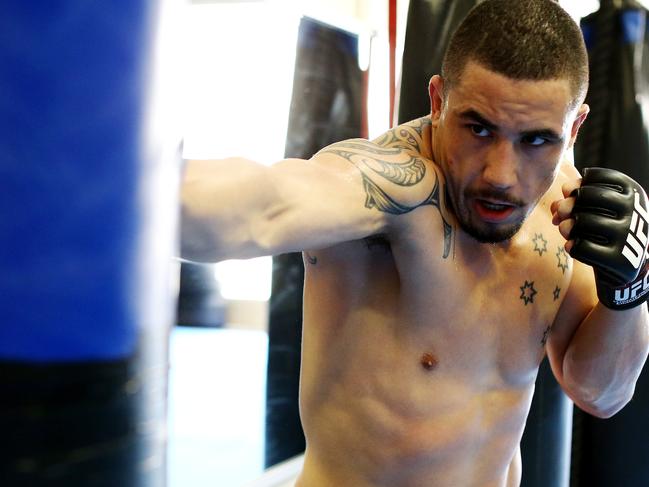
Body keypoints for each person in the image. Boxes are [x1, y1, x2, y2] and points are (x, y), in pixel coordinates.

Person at [180, 0, 649, 485]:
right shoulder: (388, 189)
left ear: (574, 128)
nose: (501, 175)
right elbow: (262, 206)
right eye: (479, 128)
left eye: (536, 141)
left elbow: (601, 393)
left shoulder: (562, 212)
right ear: (438, 101)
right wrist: (127, 177)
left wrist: (628, 293)